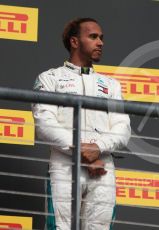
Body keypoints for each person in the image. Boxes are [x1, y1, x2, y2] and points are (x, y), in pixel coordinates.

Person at [32, 18, 131, 230]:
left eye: (101, 38)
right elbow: (44, 124)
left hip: (102, 167)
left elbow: (122, 128)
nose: (100, 42)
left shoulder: (111, 85)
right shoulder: (50, 78)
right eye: (93, 37)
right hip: (64, 166)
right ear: (75, 42)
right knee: (60, 227)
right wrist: (83, 154)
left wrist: (97, 148)